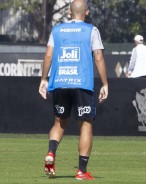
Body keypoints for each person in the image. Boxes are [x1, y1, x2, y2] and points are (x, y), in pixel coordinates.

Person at [38, 0, 108, 180]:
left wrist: (44, 79)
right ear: (87, 12)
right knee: (85, 125)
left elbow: (48, 55)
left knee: (59, 122)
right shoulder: (91, 30)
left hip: (60, 82)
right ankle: (81, 171)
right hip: (82, 84)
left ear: (69, 11)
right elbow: (98, 57)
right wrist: (105, 83)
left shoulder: (57, 30)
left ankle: (51, 152)